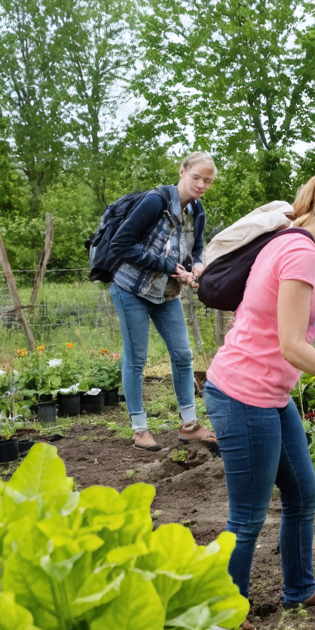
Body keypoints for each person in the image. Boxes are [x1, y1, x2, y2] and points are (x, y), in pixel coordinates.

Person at [203, 162, 315, 608]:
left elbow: (275, 301)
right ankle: (225, 615)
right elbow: (289, 346)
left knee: (303, 492)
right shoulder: (301, 251)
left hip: (268, 393)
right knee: (246, 519)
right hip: (243, 393)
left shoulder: (297, 240)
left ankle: (299, 589)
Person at [108, 152, 219, 451]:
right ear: (182, 171)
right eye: (196, 177)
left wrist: (197, 264)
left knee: (182, 355)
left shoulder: (197, 210)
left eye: (207, 181)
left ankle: (189, 426)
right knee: (137, 358)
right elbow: (121, 244)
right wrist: (168, 266)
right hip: (131, 289)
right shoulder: (155, 202)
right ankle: (140, 429)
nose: (201, 185)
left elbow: (197, 247)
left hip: (167, 293)